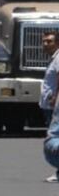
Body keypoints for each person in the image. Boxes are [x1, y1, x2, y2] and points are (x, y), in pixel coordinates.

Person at [37, 31, 59, 182]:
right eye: (44, 41)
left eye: (49, 41)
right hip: (51, 105)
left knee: (54, 139)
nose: (45, 44)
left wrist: (55, 97)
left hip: (55, 105)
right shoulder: (54, 59)